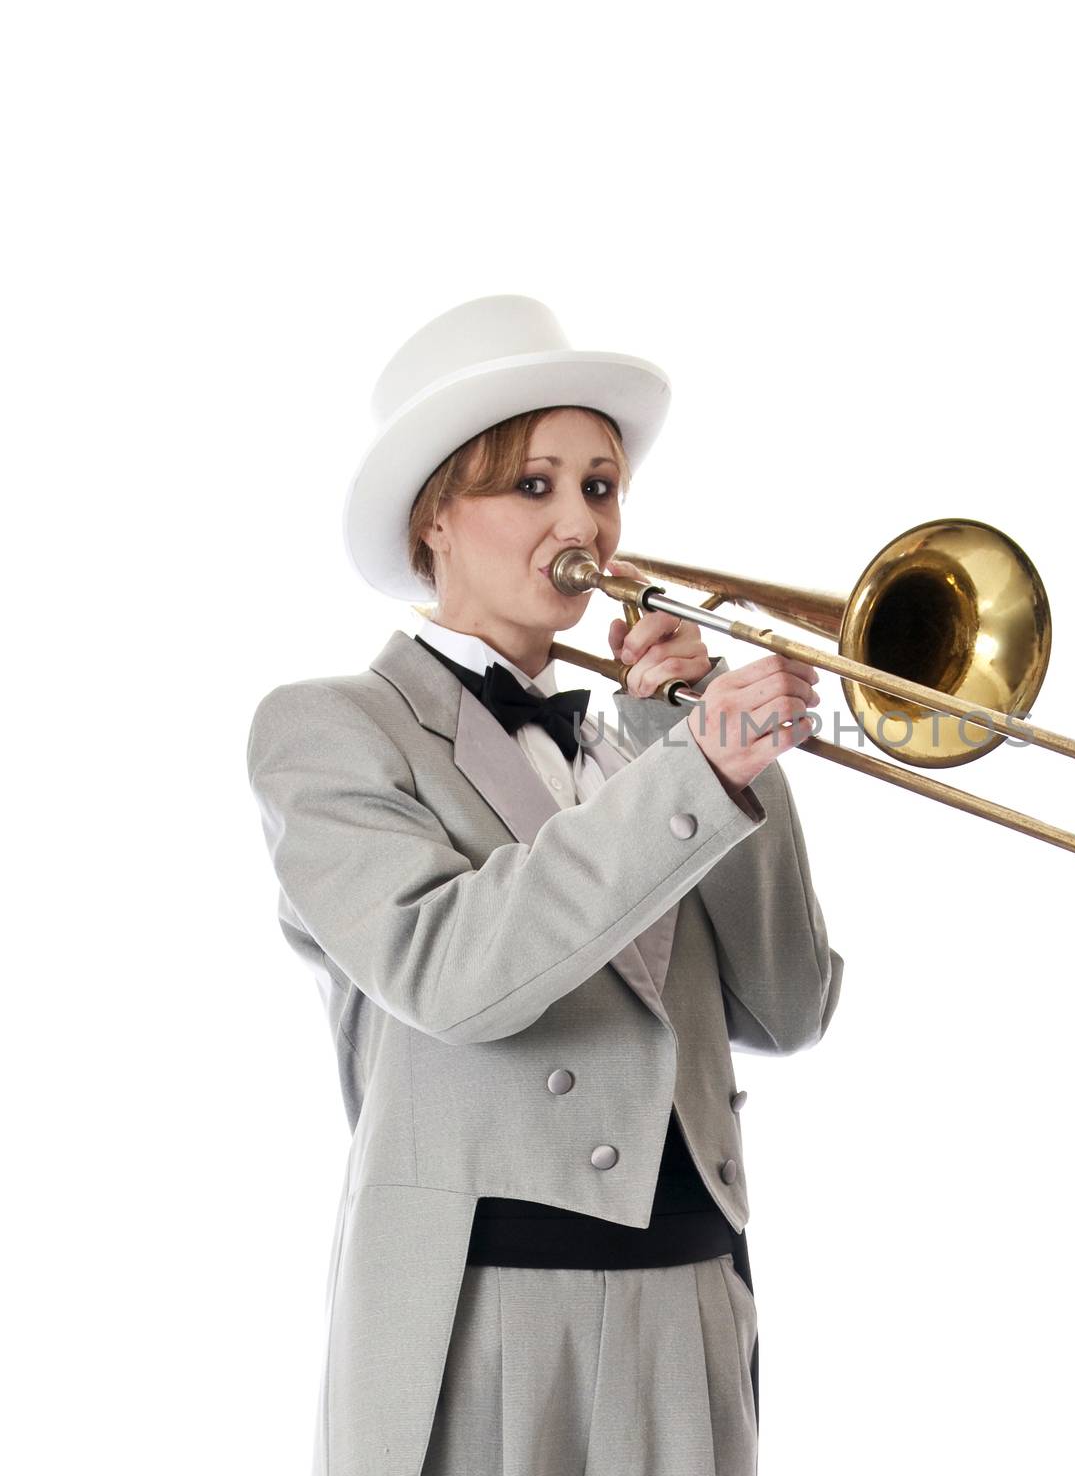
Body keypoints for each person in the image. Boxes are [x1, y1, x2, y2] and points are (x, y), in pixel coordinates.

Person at [245, 294, 846, 1476]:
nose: (582, 520)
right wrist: (690, 770)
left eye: (601, 485)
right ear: (435, 521)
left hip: (692, 1297)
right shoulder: (331, 730)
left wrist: (723, 763)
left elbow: (790, 1004)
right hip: (485, 1313)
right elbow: (456, 974)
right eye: (531, 485)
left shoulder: (644, 748)